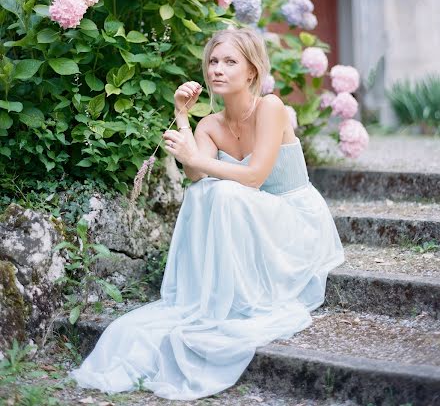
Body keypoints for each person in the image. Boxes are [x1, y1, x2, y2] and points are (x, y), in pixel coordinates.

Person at [70, 27, 345, 400]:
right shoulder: (210, 124)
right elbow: (196, 173)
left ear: (251, 71)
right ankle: (210, 294)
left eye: (230, 62)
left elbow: (254, 177)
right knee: (205, 194)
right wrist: (181, 116)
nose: (217, 69)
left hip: (293, 221)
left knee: (227, 193)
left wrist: (198, 159)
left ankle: (239, 294)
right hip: (253, 219)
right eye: (213, 61)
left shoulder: (271, 107)